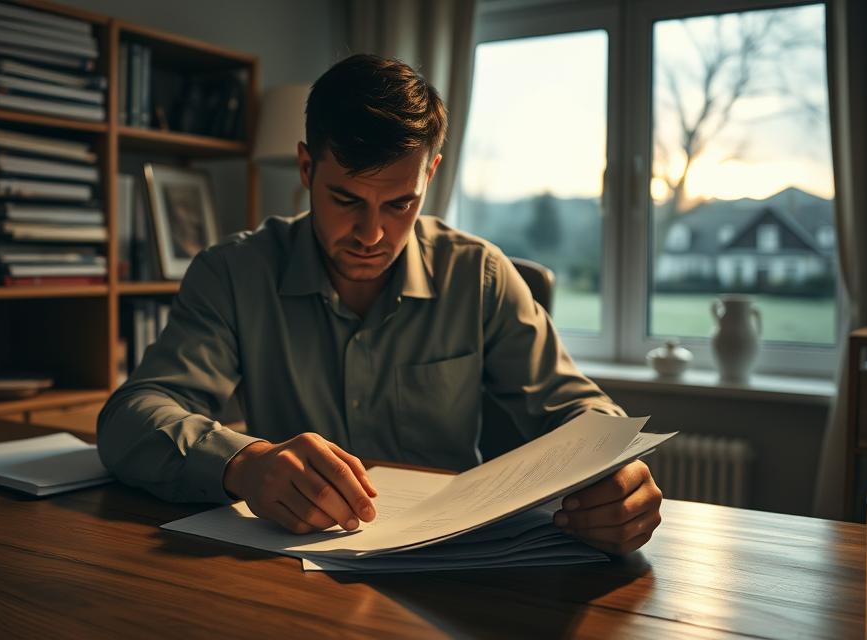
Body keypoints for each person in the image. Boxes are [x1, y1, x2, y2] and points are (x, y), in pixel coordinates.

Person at [98, 54, 662, 556]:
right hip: (286, 571)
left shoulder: (481, 275)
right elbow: (132, 416)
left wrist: (619, 475)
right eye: (346, 199)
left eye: (400, 203)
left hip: (454, 571)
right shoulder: (233, 273)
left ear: (431, 174)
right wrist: (243, 463)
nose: (372, 233)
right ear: (305, 168)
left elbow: (582, 416)